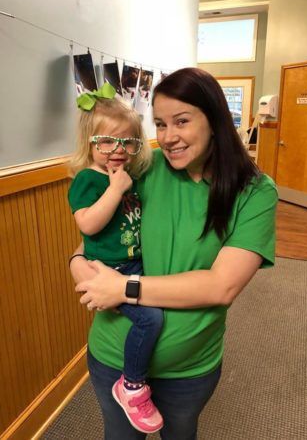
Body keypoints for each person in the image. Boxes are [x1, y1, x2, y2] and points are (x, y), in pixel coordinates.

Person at [70, 68, 278, 440]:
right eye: (160, 124)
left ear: (214, 120)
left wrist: (124, 288)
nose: (168, 138)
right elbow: (101, 235)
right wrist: (76, 264)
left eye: (181, 121)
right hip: (113, 355)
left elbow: (221, 286)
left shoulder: (254, 191)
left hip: (189, 368)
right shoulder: (144, 169)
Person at [68, 82, 164, 434]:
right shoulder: (89, 180)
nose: (118, 150)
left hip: (136, 263)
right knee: (150, 319)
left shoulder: (129, 176)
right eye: (107, 141)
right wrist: (116, 189)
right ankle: (132, 385)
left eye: (128, 141)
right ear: (89, 143)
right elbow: (89, 224)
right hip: (112, 269)